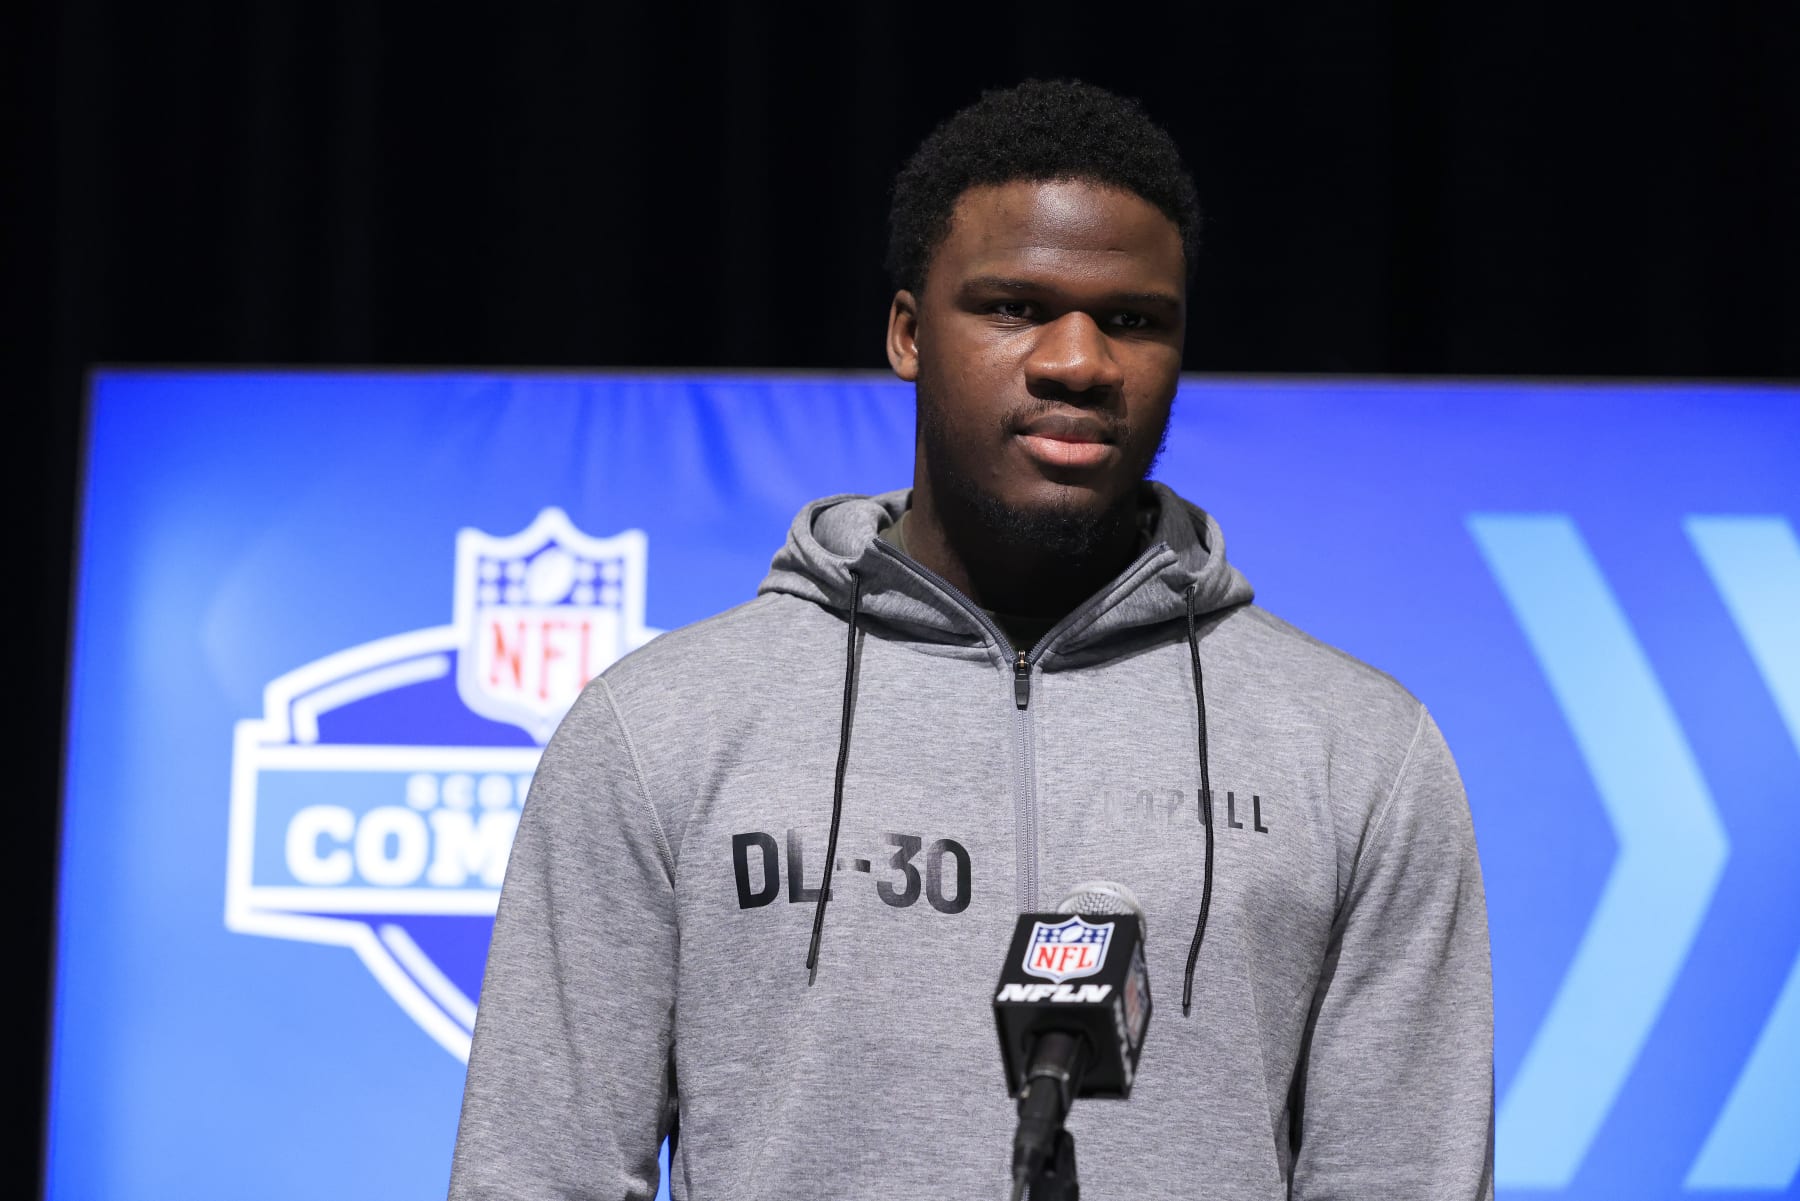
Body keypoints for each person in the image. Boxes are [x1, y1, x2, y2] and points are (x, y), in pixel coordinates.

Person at [449, 79, 1493, 1200]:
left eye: (1134, 320)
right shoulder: (662, 728)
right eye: (1015, 306)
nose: (1079, 361)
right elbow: (536, 1174)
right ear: (908, 333)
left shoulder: (1355, 752)